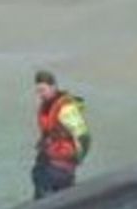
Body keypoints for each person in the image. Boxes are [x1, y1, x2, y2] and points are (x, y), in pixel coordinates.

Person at [32, 70, 91, 200]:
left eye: (43, 90)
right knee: (38, 176)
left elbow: (84, 136)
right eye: (38, 91)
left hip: (62, 163)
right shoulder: (46, 106)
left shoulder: (66, 109)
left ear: (53, 87)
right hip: (48, 160)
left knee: (47, 187)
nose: (40, 95)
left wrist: (78, 158)